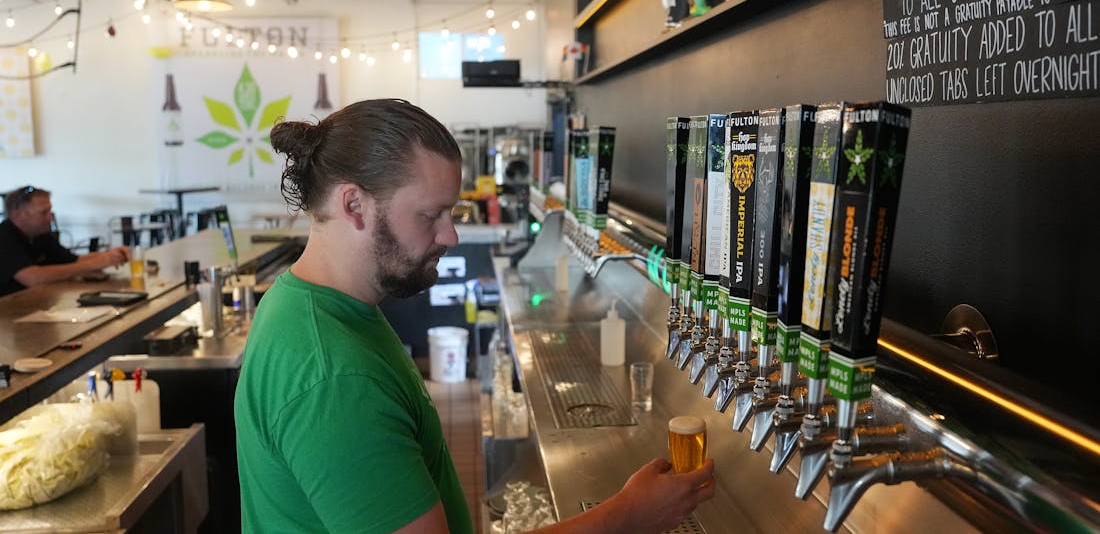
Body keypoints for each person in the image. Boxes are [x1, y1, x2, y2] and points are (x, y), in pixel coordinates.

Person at [235, 99, 716, 534]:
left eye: (453, 214)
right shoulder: (335, 380)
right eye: (430, 215)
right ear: (354, 204)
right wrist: (628, 516)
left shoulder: (304, 306)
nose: (451, 236)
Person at [0, 185, 130, 297]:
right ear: (18, 215)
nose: (51, 217)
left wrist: (110, 255)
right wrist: (94, 264)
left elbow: (73, 260)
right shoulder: (4, 237)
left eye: (50, 211)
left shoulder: (40, 235)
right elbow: (32, 278)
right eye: (43, 213)